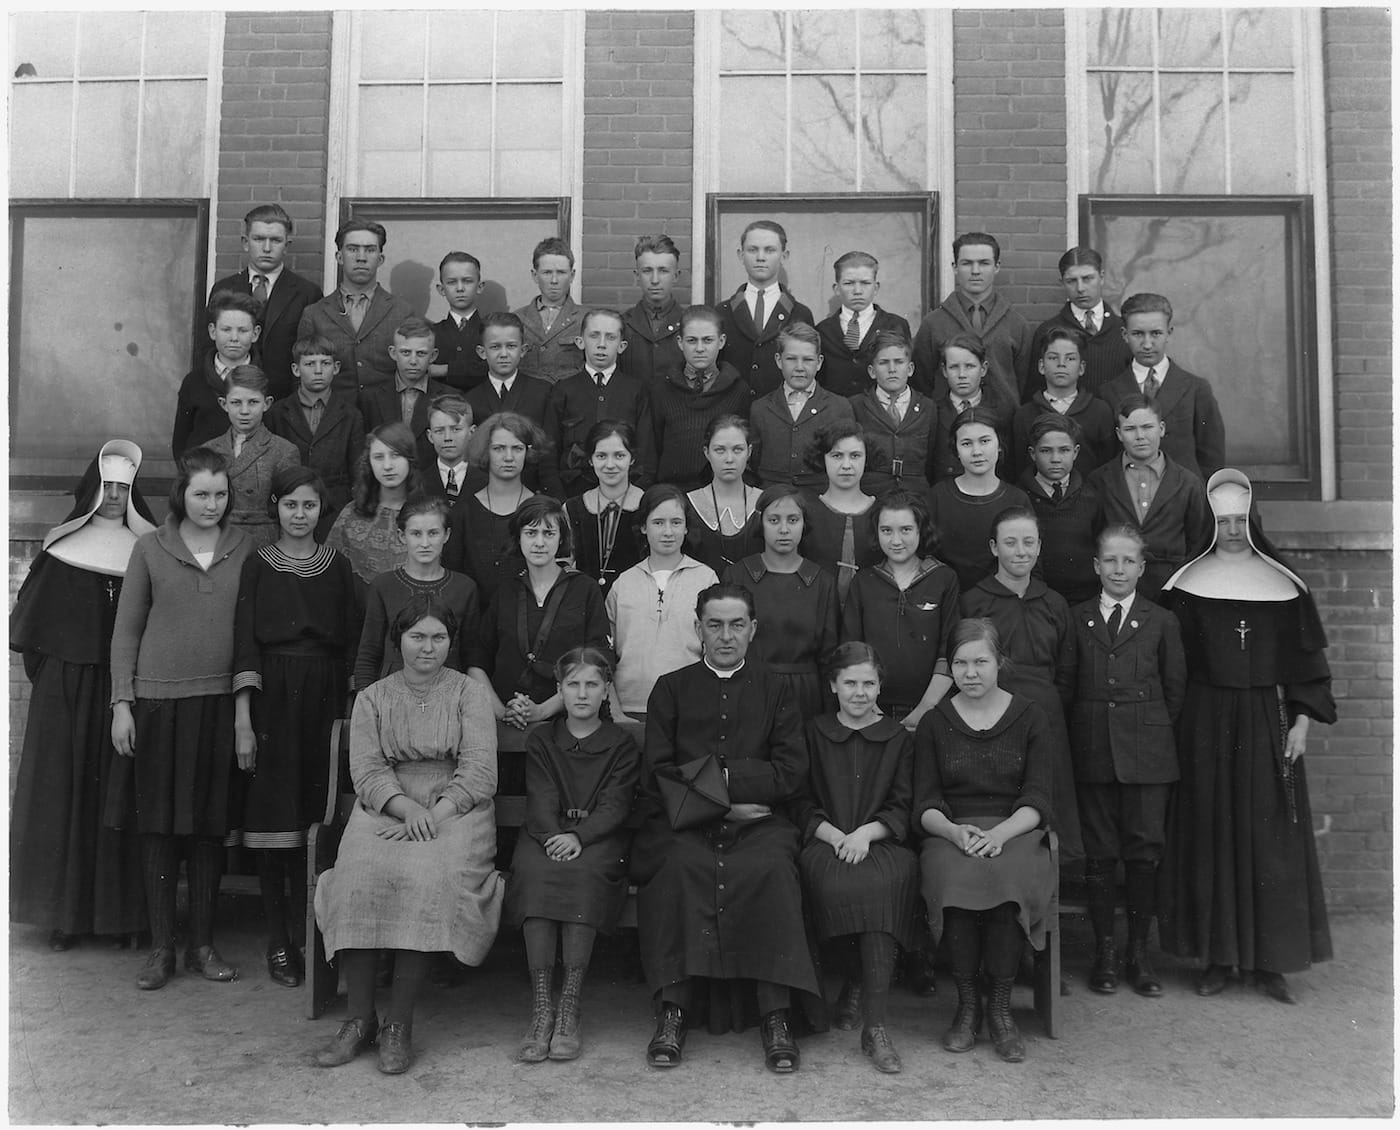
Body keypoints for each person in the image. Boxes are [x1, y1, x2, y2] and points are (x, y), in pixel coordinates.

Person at [1158, 469, 1336, 1004]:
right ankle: (1218, 958)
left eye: (1240, 521)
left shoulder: (1284, 584)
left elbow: (1307, 664)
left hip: (1267, 718)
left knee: (1268, 839)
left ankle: (1270, 963)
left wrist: (1302, 723)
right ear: (1211, 523)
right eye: (1223, 521)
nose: (1232, 531)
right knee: (1211, 834)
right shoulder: (1188, 586)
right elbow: (1173, 662)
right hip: (1205, 719)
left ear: (1251, 520)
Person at [632, 584, 820, 1073]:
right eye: (714, 625)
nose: (726, 635)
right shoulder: (671, 688)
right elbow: (658, 772)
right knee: (677, 866)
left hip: (762, 826)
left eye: (737, 625)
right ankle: (672, 1011)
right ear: (698, 629)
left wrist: (716, 780)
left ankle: (775, 1014)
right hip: (685, 825)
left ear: (753, 630)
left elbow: (789, 772)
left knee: (771, 868)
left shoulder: (777, 688)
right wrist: (728, 802)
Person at [312, 597, 504, 1074]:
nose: (428, 647)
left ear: (450, 642)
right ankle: (359, 1019)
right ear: (398, 641)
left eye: (439, 637)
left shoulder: (468, 694)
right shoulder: (373, 697)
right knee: (356, 873)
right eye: (417, 637)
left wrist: (434, 813)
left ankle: (398, 1023)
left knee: (424, 875)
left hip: (456, 808)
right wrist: (405, 808)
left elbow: (479, 769)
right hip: (387, 804)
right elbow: (368, 769)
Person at [109, 447, 256, 990]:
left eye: (220, 494)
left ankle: (202, 944)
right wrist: (122, 704)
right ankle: (161, 950)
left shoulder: (247, 548)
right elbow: (126, 631)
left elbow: (249, 634)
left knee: (206, 830)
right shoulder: (149, 548)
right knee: (159, 830)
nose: (211, 504)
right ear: (181, 495)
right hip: (155, 706)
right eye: (201, 494)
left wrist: (242, 712)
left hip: (217, 704)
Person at [10, 440, 156, 951]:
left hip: (127, 692)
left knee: (120, 799)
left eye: (124, 488)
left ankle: (125, 920)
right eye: (108, 486)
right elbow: (32, 632)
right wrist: (63, 676)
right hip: (67, 691)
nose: (115, 496)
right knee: (66, 795)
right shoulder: (61, 547)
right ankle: (63, 917)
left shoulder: (150, 546)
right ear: (94, 488)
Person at [232, 466, 358, 988]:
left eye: (309, 506)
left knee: (318, 818)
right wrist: (243, 718)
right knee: (273, 820)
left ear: (320, 510)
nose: (300, 515)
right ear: (275, 508)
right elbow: (243, 641)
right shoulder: (258, 564)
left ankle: (315, 935)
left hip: (324, 695)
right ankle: (280, 940)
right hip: (273, 701)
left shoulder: (337, 566)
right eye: (290, 505)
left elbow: (351, 642)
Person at [914, 619, 1056, 1063]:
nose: (970, 673)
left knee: (1007, 881)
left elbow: (1037, 799)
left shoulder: (1030, 716)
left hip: (1014, 830)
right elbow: (925, 802)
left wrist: (1000, 833)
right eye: (960, 663)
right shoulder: (936, 723)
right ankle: (967, 1005)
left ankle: (999, 1008)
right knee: (954, 880)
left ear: (1000, 663)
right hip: (952, 832)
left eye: (980, 662)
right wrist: (955, 832)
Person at [1063, 525, 1186, 998]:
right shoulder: (1078, 620)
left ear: (1141, 567)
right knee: (1099, 855)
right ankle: (1105, 952)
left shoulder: (1160, 621)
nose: (1118, 570)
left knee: (1143, 853)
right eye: (1110, 561)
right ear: (1096, 566)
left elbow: (1174, 693)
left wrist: (1144, 733)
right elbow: (1068, 685)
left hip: (1147, 757)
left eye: (1128, 562)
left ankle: (1139, 954)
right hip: (1094, 752)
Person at [506, 647, 641, 1063]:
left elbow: (617, 805)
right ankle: (542, 1008)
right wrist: (553, 837)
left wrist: (580, 836)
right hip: (546, 835)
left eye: (592, 685)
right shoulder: (544, 738)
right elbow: (541, 796)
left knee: (581, 875)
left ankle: (569, 1006)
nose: (582, 694)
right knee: (535, 872)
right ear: (560, 690)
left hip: (598, 839)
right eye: (573, 684)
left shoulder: (621, 743)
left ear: (606, 692)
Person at [796, 643, 919, 1074]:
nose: (860, 692)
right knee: (834, 883)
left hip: (881, 841)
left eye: (869, 683)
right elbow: (801, 799)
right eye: (850, 682)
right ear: (833, 685)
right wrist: (835, 836)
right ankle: (853, 979)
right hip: (826, 840)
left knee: (883, 882)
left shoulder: (898, 738)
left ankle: (876, 1025)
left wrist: (866, 833)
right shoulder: (813, 732)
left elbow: (904, 805)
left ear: (880, 685)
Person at [958, 506, 1080, 865]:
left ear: (1040, 547)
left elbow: (1067, 672)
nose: (1021, 551)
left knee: (1048, 798)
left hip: (1046, 714)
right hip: (993, 712)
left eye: (1029, 542)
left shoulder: (1054, 603)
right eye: (1011, 543)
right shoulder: (975, 601)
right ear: (995, 548)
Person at [466, 496, 611, 792]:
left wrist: (543, 711)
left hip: (567, 725)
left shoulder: (584, 589)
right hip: (509, 724)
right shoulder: (504, 591)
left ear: (561, 540)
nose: (539, 542)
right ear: (518, 538)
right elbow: (477, 660)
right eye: (531, 533)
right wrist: (503, 711)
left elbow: (600, 660)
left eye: (549, 533)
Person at [841, 489, 959, 732]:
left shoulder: (943, 578)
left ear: (920, 530)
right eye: (886, 531)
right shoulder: (864, 581)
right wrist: (870, 705)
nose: (896, 540)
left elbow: (950, 650)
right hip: (871, 708)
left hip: (931, 709)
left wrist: (924, 709)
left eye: (905, 530)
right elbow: (851, 648)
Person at [723, 486, 839, 718]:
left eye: (793, 520)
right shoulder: (737, 576)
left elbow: (829, 656)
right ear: (761, 524)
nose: (784, 529)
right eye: (774, 520)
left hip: (805, 696)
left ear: (804, 524)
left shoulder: (821, 581)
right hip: (749, 689)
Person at [608, 485, 720, 722]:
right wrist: (616, 710)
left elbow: (715, 649)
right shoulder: (623, 583)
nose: (668, 531)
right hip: (630, 708)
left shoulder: (706, 579)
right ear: (643, 527)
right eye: (658, 522)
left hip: (688, 708)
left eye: (676, 522)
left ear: (687, 527)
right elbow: (605, 653)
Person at [1087, 393, 1213, 598]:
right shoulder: (1100, 480)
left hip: (1170, 588)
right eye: (1130, 429)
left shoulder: (1187, 483)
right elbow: (1093, 537)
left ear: (1161, 429)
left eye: (1147, 427)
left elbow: (1198, 543)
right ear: (1119, 434)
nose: (1140, 436)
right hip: (1117, 587)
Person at [1096, 293, 1227, 481]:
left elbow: (1212, 459)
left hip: (1183, 499)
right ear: (1125, 335)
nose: (1147, 344)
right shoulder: (1109, 392)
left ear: (1169, 333)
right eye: (1138, 334)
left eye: (1156, 333)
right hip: (1131, 497)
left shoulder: (1195, 389)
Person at [354, 495, 480, 690]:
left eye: (433, 533)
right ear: (402, 536)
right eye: (416, 533)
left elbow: (471, 657)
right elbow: (368, 653)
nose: (425, 543)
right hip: (393, 695)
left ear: (446, 535)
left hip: (448, 694)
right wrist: (366, 703)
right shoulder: (384, 586)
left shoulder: (464, 588)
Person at [207, 203, 322, 400]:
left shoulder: (306, 293)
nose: (267, 248)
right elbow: (208, 348)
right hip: (231, 398)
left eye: (275, 240)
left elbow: (310, 355)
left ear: (286, 246)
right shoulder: (224, 289)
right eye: (259, 239)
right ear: (245, 242)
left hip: (284, 400)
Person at [912, 232, 1035, 404]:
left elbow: (1025, 382)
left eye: (984, 263)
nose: (975, 271)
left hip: (1003, 425)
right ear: (955, 267)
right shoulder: (933, 323)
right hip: (948, 424)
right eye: (967, 263)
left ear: (997, 266)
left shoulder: (1016, 324)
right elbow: (922, 383)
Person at [266, 334, 366, 542]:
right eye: (310, 364)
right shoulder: (278, 413)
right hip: (291, 503)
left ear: (336, 368)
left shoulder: (350, 414)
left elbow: (357, 468)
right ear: (296, 369)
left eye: (325, 363)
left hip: (335, 506)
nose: (318, 370)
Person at [296, 218, 415, 393]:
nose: (361, 258)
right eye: (352, 249)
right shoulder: (315, 314)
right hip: (334, 413)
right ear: (339, 257)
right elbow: (302, 376)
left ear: (380, 259)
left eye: (370, 250)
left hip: (387, 413)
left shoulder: (402, 312)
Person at [443, 411, 547, 606]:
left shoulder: (543, 510)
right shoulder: (463, 512)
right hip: (476, 619)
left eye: (517, 448)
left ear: (528, 452)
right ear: (485, 451)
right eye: (499, 448)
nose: (508, 457)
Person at [926, 407, 1033, 592]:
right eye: (966, 443)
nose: (977, 451)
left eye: (984, 441)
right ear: (956, 449)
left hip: (1002, 602)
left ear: (999, 445)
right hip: (950, 600)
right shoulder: (937, 497)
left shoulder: (1017, 499)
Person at [649, 305, 755, 490]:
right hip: (672, 490)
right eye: (692, 340)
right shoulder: (662, 389)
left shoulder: (738, 390)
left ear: (721, 341)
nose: (699, 348)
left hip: (720, 490)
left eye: (707, 340)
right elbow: (653, 444)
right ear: (680, 342)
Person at [549, 308, 654, 496]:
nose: (601, 345)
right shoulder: (563, 390)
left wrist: (637, 494)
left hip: (626, 494)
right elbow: (549, 450)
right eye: (594, 336)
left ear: (622, 346)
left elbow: (646, 451)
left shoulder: (635, 390)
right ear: (580, 342)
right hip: (573, 492)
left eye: (610, 337)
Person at [715, 220, 815, 396]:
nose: (760, 257)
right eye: (753, 250)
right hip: (732, 412)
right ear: (740, 255)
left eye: (770, 250)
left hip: (780, 413)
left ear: (784, 256)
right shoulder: (722, 312)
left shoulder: (799, 313)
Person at [748, 323, 854, 489]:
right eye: (791, 359)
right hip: (774, 500)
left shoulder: (839, 407)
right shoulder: (760, 408)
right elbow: (754, 462)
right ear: (778, 360)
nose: (799, 367)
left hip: (820, 498)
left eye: (808, 360)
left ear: (819, 363)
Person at [206, 364, 301, 547]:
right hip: (217, 540)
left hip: (264, 543)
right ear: (223, 404)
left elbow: (290, 510)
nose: (244, 411)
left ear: (267, 404)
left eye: (253, 402)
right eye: (236, 402)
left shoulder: (284, 451)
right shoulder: (209, 450)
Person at [325, 422, 422, 591]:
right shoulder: (352, 513)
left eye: (396, 455)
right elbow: (331, 570)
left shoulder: (428, 514)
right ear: (369, 462)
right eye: (378, 457)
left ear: (410, 459)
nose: (387, 466)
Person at [1010, 326, 1116, 479]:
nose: (1061, 364)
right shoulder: (1025, 414)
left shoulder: (1100, 411)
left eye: (1070, 358)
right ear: (1041, 366)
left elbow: (1107, 464)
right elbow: (1019, 466)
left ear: (1081, 368)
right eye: (1053, 358)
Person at [464, 312, 561, 479]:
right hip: (486, 486)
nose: (503, 354)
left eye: (511, 346)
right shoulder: (471, 399)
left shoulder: (544, 392)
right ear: (482, 352)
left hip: (533, 485)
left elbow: (550, 450)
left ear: (523, 350)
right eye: (495, 347)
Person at [1018, 413, 1102, 605]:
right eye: (1046, 451)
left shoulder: (1093, 497)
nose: (1055, 459)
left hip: (1084, 598)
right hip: (1036, 598)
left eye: (1064, 450)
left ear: (1076, 452)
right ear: (1033, 453)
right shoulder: (1019, 497)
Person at [1029, 247, 1132, 397]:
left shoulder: (1123, 329)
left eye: (1087, 279)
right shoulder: (1048, 330)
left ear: (1101, 277)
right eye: (1071, 281)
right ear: (1062, 282)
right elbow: (1035, 390)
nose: (1080, 288)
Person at [800, 420, 883, 604]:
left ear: (866, 458)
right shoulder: (807, 511)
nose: (846, 465)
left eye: (855, 456)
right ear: (822, 458)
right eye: (837, 456)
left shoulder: (882, 512)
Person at [172, 289, 262, 458]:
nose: (234, 338)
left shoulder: (268, 380)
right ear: (213, 331)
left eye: (243, 330)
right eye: (226, 329)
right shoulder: (194, 382)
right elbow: (180, 442)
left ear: (255, 333)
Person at [847, 331, 937, 495]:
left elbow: (931, 460)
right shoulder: (856, 406)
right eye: (883, 363)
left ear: (910, 369)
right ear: (872, 371)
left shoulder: (927, 408)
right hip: (872, 494)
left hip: (916, 495)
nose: (892, 369)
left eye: (899, 362)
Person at [815, 251, 912, 399]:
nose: (857, 291)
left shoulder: (895, 326)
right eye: (849, 283)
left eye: (865, 283)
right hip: (836, 414)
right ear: (836, 288)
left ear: (876, 287)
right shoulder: (823, 330)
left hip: (879, 414)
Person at [563, 421, 645, 595]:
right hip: (585, 601)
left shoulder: (647, 505)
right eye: (601, 456)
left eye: (619, 456)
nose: (610, 465)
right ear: (590, 460)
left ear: (633, 458)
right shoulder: (573, 508)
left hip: (636, 601)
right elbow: (564, 563)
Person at [357, 317, 452, 465]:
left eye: (421, 354)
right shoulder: (370, 398)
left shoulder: (449, 397)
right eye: (406, 353)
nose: (413, 361)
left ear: (433, 356)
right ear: (393, 353)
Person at [928, 335, 1015, 483]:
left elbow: (1010, 464)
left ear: (983, 369)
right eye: (954, 367)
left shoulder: (1003, 410)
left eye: (969, 366)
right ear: (944, 370)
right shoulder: (932, 410)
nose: (962, 375)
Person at [683, 414, 763, 574]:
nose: (729, 459)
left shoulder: (765, 503)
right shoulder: (686, 504)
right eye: (720, 450)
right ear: (706, 452)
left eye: (738, 449)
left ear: (749, 452)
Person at [514, 236, 584, 385]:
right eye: (547, 272)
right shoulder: (516, 319)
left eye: (561, 272)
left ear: (572, 276)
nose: (554, 280)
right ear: (535, 275)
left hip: (569, 401)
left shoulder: (586, 319)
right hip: (528, 400)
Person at [619, 234, 685, 386]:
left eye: (663, 271)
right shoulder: (622, 325)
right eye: (647, 271)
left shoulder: (690, 324)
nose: (655, 280)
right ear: (637, 276)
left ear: (676, 276)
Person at [429, 251, 488, 394]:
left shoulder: (493, 330)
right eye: (452, 282)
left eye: (467, 281)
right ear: (441, 289)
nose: (460, 288)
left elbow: (496, 368)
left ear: (479, 287)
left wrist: (444, 370)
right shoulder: (430, 332)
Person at [418, 393, 476, 502]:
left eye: (456, 429)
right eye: (439, 431)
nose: (447, 438)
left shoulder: (488, 480)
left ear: (471, 432)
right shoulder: (419, 482)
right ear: (430, 436)